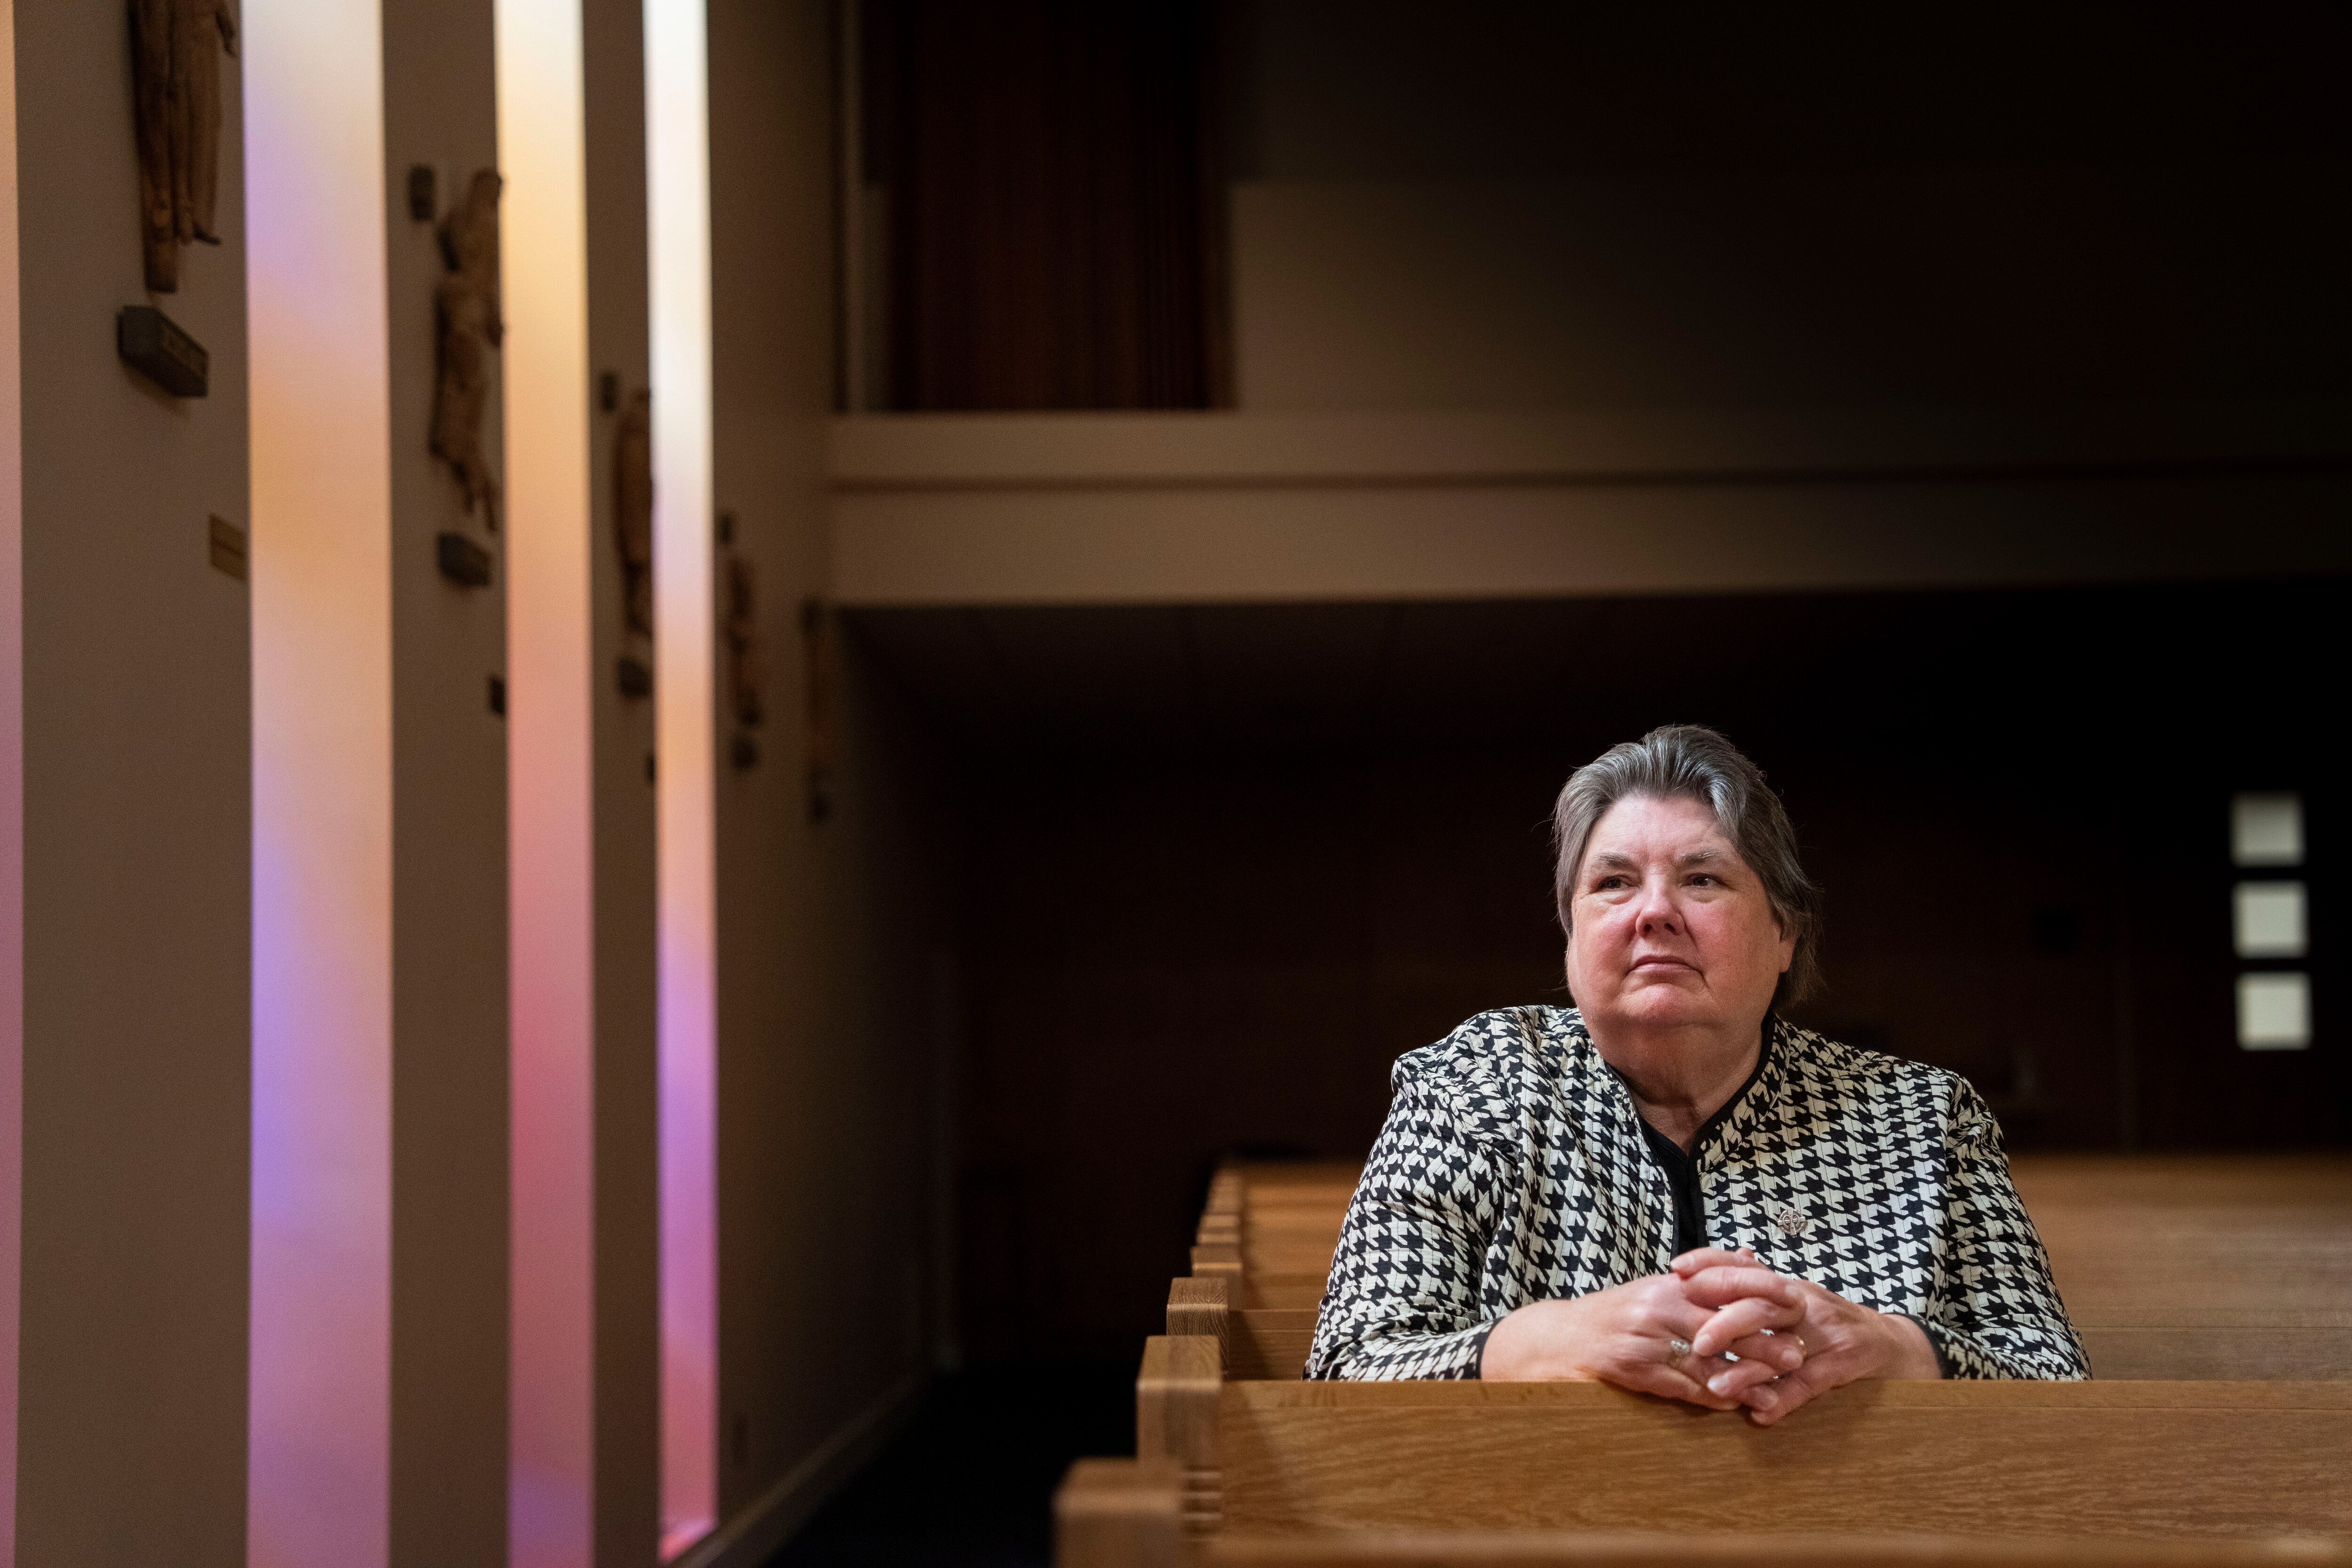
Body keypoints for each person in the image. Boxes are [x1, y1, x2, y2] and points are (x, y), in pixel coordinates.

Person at [1303, 724, 2087, 1422]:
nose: (1654, 912)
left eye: (1702, 877)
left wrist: (1899, 1349)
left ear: (1785, 933)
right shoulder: (1471, 1087)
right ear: (1572, 938)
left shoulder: (1924, 1118)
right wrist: (1547, 1337)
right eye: (1613, 882)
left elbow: (2065, 1387)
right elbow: (1342, 1369)